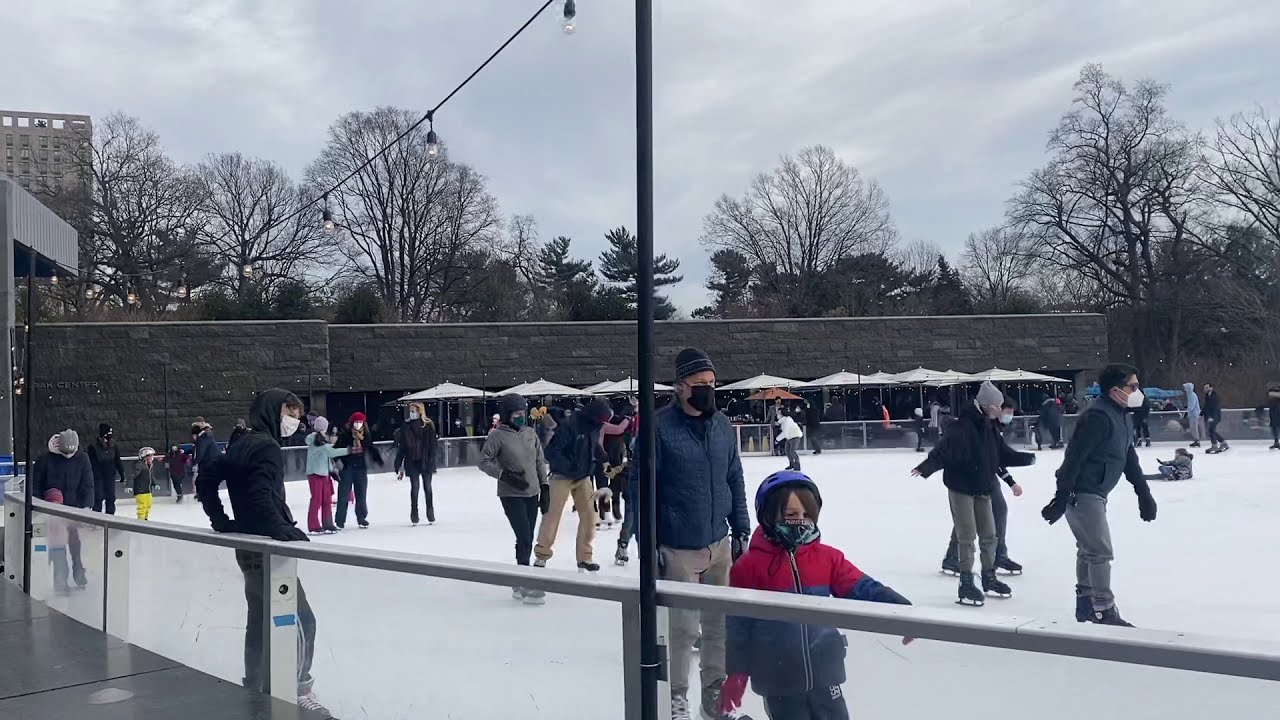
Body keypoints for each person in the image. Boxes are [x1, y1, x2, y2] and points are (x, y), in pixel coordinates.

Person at [720, 471, 911, 719]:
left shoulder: (827, 558)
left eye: (806, 515)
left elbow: (862, 587)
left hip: (824, 671)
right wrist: (737, 672)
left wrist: (901, 610)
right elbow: (739, 625)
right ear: (768, 515)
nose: (800, 522)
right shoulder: (749, 567)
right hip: (779, 677)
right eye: (791, 515)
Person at [629, 347, 751, 720]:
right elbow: (639, 486)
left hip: (719, 541)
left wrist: (742, 527)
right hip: (678, 544)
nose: (708, 391)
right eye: (700, 384)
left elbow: (735, 477)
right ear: (680, 387)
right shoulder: (658, 427)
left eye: (712, 384)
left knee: (718, 627)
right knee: (681, 629)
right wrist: (646, 540)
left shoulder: (723, 426)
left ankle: (713, 696)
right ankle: (676, 698)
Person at [197, 389, 332, 716]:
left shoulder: (241, 441)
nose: (295, 421)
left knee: (258, 620)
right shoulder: (266, 446)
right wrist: (278, 529)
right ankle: (299, 688)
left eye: (298, 415)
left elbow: (207, 480)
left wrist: (223, 521)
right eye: (291, 412)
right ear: (273, 411)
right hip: (266, 547)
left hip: (248, 545)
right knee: (302, 620)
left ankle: (255, 685)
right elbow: (260, 494)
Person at [1041, 363, 1157, 627]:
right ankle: (1104, 609)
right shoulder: (1097, 417)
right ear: (1116, 391)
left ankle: (1086, 603)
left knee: (1088, 549)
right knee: (1100, 551)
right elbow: (1074, 457)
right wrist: (1062, 495)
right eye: (1133, 386)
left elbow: (1128, 456)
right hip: (1083, 492)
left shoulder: (1121, 415)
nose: (1138, 391)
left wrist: (1143, 493)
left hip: (1095, 491)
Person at [913, 381, 1035, 607]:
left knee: (989, 535)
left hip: (983, 487)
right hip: (961, 488)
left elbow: (1001, 454)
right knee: (967, 537)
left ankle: (988, 577)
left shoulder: (989, 427)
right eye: (998, 405)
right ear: (988, 406)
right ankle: (966, 582)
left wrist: (1025, 459)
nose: (1001, 409)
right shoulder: (962, 427)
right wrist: (926, 467)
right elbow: (943, 451)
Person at [941, 399, 1026, 576]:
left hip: (984, 476)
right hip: (975, 477)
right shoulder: (985, 427)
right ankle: (997, 555)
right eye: (1006, 411)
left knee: (969, 518)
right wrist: (1011, 482)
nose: (1009, 416)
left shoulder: (992, 427)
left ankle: (953, 557)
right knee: (995, 512)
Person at [479, 394, 549, 605]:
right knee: (524, 537)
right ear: (508, 414)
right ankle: (523, 581)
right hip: (511, 494)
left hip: (532, 492)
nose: (520, 417)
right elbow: (484, 461)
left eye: (523, 413)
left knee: (528, 537)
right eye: (516, 414)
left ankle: (521, 578)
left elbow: (539, 461)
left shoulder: (530, 433)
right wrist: (504, 475)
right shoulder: (497, 436)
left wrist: (544, 487)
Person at [535, 399, 611, 572]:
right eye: (602, 420)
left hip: (583, 477)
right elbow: (551, 452)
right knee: (552, 516)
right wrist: (569, 466)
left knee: (590, 517)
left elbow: (592, 446)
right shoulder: (570, 426)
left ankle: (585, 557)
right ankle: (542, 555)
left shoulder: (593, 427)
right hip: (561, 476)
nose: (602, 424)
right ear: (594, 416)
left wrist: (603, 457)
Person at [32, 430, 94, 594]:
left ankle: (78, 570)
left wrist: (87, 507)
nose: (68, 455)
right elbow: (36, 486)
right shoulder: (44, 461)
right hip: (52, 510)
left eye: (71, 452)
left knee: (75, 542)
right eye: (65, 452)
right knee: (57, 546)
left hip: (75, 509)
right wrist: (40, 508)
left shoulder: (83, 459)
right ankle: (61, 579)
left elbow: (88, 484)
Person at [335, 411, 382, 529]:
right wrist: (339, 462)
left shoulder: (365, 435)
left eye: (360, 422)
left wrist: (378, 459)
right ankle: (340, 520)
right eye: (356, 422)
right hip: (347, 468)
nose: (358, 424)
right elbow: (335, 450)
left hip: (360, 468)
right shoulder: (345, 435)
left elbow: (370, 448)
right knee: (343, 495)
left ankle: (361, 518)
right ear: (352, 423)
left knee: (361, 494)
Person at [394, 402, 438, 526]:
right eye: (410, 411)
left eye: (413, 411)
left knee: (428, 488)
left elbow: (433, 446)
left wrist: (431, 462)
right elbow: (402, 446)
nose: (411, 413)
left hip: (425, 460)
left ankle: (430, 512)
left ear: (420, 412)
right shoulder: (406, 426)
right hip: (412, 461)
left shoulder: (428, 425)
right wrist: (398, 462)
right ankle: (414, 514)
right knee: (415, 488)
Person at [305, 416, 347, 534]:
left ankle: (327, 523)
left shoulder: (322, 439)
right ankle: (313, 525)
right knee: (317, 499)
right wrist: (348, 450)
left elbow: (328, 454)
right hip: (315, 473)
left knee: (326, 500)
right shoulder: (315, 439)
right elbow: (330, 452)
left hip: (324, 473)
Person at [85, 423, 126, 514]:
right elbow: (90, 463)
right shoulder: (93, 447)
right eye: (106, 436)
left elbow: (117, 459)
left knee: (110, 498)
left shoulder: (113, 446)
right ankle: (97, 519)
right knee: (98, 498)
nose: (108, 439)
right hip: (98, 476)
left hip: (110, 475)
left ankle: (110, 518)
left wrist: (122, 473)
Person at [191, 419, 221, 502]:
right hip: (210, 464)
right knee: (200, 481)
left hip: (210, 464)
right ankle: (203, 495)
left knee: (204, 482)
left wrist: (194, 462)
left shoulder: (203, 439)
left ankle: (207, 497)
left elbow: (200, 452)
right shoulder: (205, 438)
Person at [131, 447, 157, 520]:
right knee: (142, 506)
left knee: (148, 505)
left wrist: (155, 484)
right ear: (145, 457)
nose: (152, 458)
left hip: (148, 490)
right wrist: (129, 486)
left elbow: (151, 476)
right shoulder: (139, 465)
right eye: (151, 456)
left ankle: (145, 519)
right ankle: (141, 521)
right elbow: (132, 475)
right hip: (140, 490)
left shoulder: (149, 466)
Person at [1203, 382, 1228, 453]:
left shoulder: (1214, 397)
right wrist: (1201, 413)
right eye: (1205, 388)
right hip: (1211, 416)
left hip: (1215, 416)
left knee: (1211, 430)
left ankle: (1214, 446)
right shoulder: (1207, 396)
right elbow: (1206, 406)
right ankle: (1222, 443)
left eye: (1207, 387)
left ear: (1211, 388)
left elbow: (1215, 408)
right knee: (1211, 431)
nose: (1205, 389)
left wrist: (1212, 417)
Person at [1183, 382, 1203, 448]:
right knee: (1192, 428)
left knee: (1194, 428)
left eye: (1185, 388)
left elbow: (1192, 405)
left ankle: (1197, 440)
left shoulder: (1192, 395)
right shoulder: (1190, 395)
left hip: (1194, 414)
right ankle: (1196, 440)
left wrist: (1187, 412)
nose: (1184, 390)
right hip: (1192, 414)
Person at [1264, 384, 1280, 450]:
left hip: (1276, 415)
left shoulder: (1276, 403)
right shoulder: (1273, 403)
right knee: (1274, 427)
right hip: (1274, 416)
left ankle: (1276, 442)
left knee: (1276, 427)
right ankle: (1276, 442)